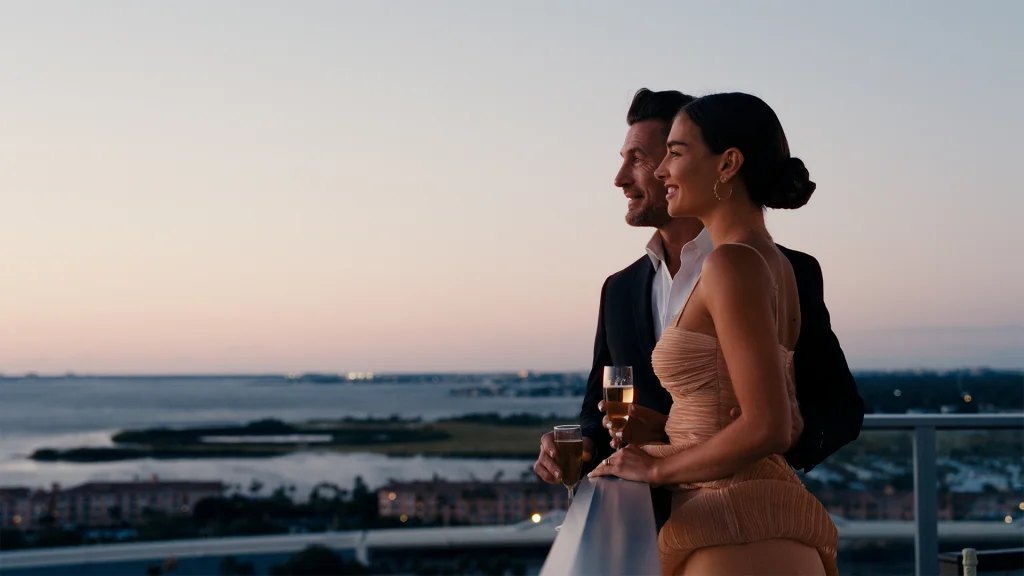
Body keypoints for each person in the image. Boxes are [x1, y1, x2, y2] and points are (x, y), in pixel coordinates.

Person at [533, 88, 862, 528]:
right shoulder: (618, 289)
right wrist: (582, 444)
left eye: (640, 158)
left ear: (723, 163)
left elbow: (838, 411)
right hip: (639, 525)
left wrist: (778, 430)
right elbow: (601, 403)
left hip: (738, 516)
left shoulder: (783, 269)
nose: (619, 178)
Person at [588, 92, 840, 575]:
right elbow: (761, 412)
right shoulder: (767, 261)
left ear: (727, 165)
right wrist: (669, 430)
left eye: (675, 154)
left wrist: (657, 467)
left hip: (737, 528)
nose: (662, 172)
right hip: (748, 522)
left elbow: (770, 425)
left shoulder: (732, 263)